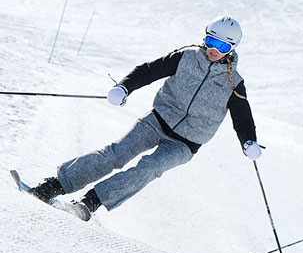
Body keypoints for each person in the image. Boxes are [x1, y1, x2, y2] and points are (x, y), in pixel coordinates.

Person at [28, 16, 261, 220]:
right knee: (116, 153)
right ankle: (55, 185)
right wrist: (123, 87)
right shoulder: (186, 58)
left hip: (185, 143)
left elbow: (242, 118)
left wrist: (248, 141)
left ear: (232, 48)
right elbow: (149, 71)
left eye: (221, 46)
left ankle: (90, 202)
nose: (213, 49)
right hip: (157, 120)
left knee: (150, 168)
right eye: (210, 41)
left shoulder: (233, 82)